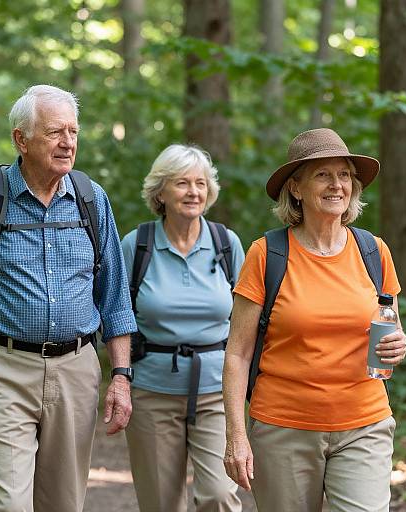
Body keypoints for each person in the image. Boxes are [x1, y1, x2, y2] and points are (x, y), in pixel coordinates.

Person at [0, 84, 137, 512]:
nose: (68, 142)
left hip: (76, 370)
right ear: (21, 139)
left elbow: (115, 300)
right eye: (55, 131)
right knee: (8, 506)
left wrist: (121, 377)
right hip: (3, 368)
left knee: (64, 503)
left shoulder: (91, 199)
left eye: (74, 132)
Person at [222, 128, 406, 512]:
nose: (337, 185)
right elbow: (238, 353)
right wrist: (236, 435)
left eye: (344, 175)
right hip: (283, 428)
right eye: (323, 175)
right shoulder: (266, 254)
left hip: (364, 423)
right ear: (296, 188)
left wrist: (398, 345)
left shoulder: (373, 251)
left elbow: (392, 327)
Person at [121, 144, 245, 512]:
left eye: (201, 183)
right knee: (160, 502)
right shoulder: (137, 245)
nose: (193, 192)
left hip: (216, 393)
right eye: (182, 183)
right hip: (152, 392)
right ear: (160, 192)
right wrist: (119, 378)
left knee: (220, 497)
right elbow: (116, 319)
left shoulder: (226, 244)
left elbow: (248, 320)